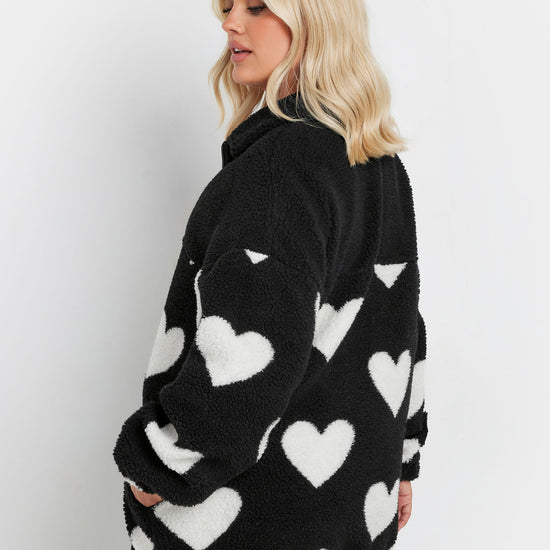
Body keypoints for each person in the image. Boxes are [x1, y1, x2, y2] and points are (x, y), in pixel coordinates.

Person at [112, 1, 429, 549]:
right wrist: (401, 457)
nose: (230, 23)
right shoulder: (374, 160)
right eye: (229, 6)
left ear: (315, 17)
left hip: (252, 521)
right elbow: (401, 325)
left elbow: (245, 357)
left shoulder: (281, 169)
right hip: (349, 513)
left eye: (257, 6)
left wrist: (159, 472)